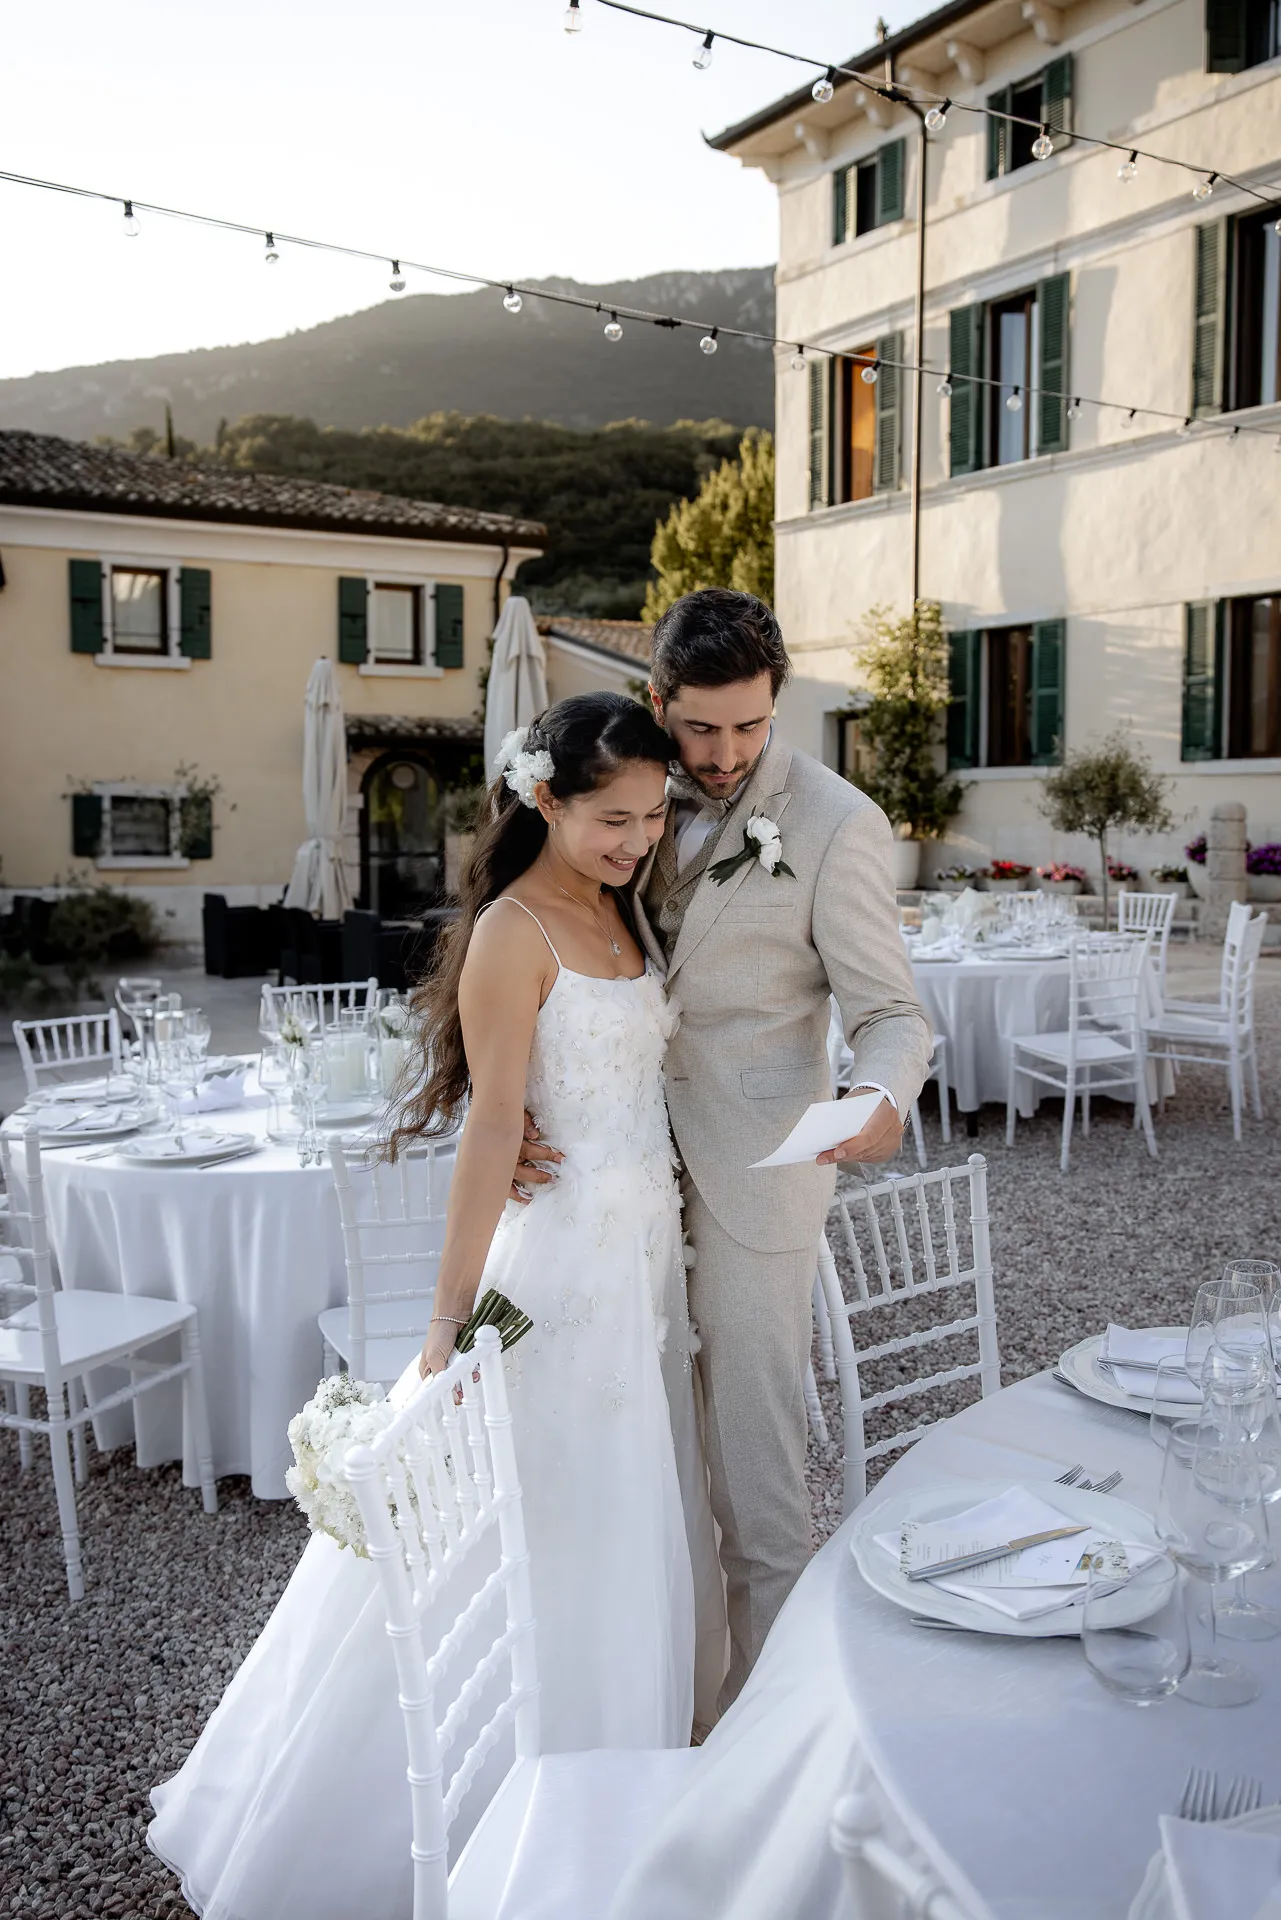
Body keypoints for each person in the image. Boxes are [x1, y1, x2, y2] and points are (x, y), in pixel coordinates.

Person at [148, 692, 722, 1919]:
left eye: (655, 815)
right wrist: (447, 1319)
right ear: (544, 801)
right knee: (525, 1527)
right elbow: (493, 1130)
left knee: (621, 1512)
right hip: (555, 1276)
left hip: (636, 1272)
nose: (638, 838)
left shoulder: (625, 905)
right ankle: (470, 1816)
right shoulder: (516, 931)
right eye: (613, 818)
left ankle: (611, 1801)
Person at [514, 590, 932, 1717]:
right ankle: (675, 1700)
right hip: (625, 1176)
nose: (726, 755)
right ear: (660, 702)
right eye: (702, 727)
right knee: (647, 1463)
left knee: (760, 1488)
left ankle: (775, 1746)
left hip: (762, 1181)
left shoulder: (841, 823)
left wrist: (880, 1091)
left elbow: (894, 1013)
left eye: (750, 726)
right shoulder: (629, 795)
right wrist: (514, 1103)